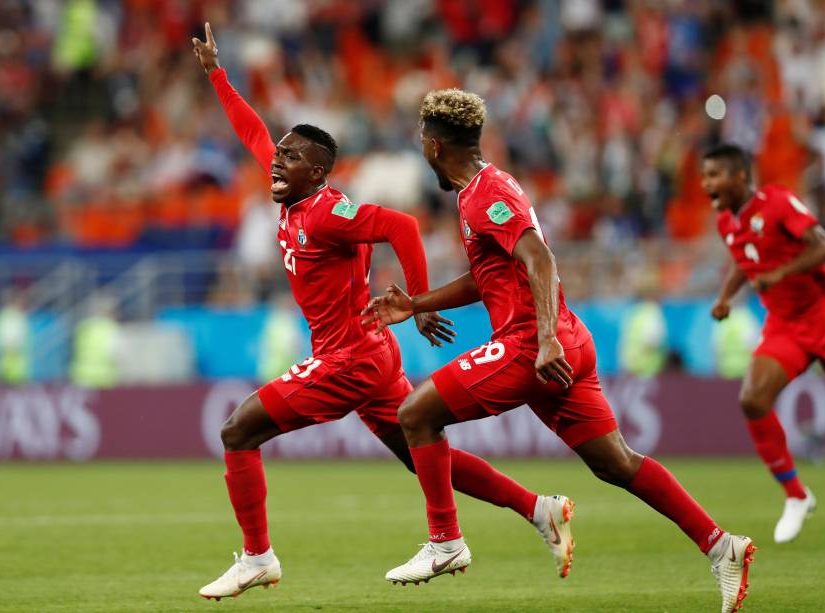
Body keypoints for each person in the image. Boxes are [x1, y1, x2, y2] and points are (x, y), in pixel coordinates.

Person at [191, 24, 564, 601]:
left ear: (316, 173)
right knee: (424, 457)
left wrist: (416, 300)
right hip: (369, 355)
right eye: (280, 154)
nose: (276, 162)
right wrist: (217, 73)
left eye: (289, 158)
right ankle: (537, 508)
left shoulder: (324, 213)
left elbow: (402, 225)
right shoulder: (291, 193)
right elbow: (253, 133)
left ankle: (258, 557)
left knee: (237, 430)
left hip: (349, 358)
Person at [363, 90, 754, 613]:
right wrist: (417, 303)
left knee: (413, 414)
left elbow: (540, 259)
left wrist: (545, 337)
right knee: (618, 464)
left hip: (532, 344)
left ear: (433, 147)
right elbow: (489, 276)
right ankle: (721, 545)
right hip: (563, 338)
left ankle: (445, 542)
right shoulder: (479, 192)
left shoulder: (485, 193)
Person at [702, 143, 825, 543]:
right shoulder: (726, 221)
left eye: (714, 175)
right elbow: (744, 258)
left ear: (740, 176)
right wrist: (725, 296)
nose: (706, 184)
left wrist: (781, 273)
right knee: (752, 399)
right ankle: (796, 494)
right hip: (786, 325)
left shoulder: (778, 202)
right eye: (704, 176)